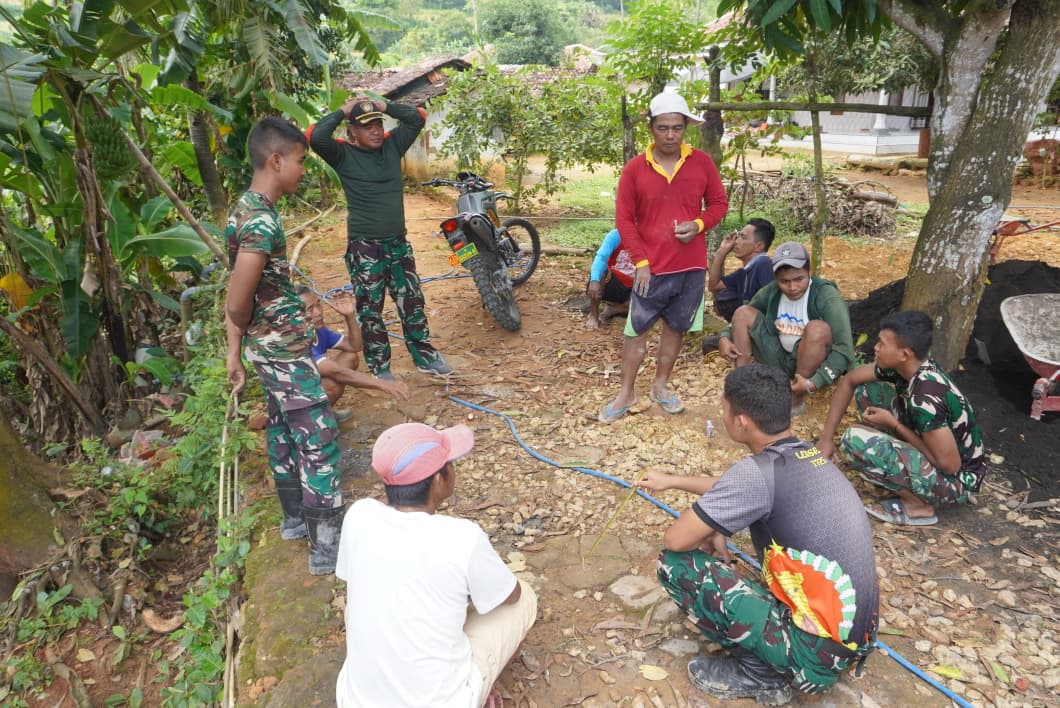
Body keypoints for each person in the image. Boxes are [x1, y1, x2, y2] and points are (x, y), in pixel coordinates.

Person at [635, 364, 878, 703]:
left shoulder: (755, 474)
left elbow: (676, 540)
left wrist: (709, 525)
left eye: (724, 406)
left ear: (742, 421)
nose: (722, 413)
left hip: (812, 659)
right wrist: (674, 480)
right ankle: (787, 653)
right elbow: (734, 488)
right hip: (856, 639)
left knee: (674, 565)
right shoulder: (804, 454)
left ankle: (761, 674)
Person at [335, 422, 538, 707]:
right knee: (525, 598)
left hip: (356, 701)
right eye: (450, 464)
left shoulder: (359, 516)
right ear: (438, 480)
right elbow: (511, 595)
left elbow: (354, 580)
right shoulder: (462, 537)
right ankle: (479, 693)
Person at [225, 117, 342, 576]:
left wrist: (237, 348)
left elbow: (239, 289)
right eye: (299, 160)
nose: (303, 170)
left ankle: (295, 520)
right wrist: (252, 326)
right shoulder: (260, 221)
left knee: (282, 429)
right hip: (281, 351)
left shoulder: (244, 210)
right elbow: (237, 300)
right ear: (276, 160)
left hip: (265, 347)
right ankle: (326, 545)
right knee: (318, 438)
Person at [598, 91, 729, 423]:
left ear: (686, 127)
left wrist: (698, 224)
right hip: (651, 268)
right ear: (651, 128)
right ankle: (626, 392)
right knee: (636, 330)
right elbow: (624, 221)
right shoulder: (635, 169)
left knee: (676, 328)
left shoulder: (701, 162)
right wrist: (641, 261)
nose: (670, 135)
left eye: (677, 128)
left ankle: (661, 386)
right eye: (663, 128)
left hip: (691, 267)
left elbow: (718, 204)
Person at [308, 95, 452, 380]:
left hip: (398, 243)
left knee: (411, 301)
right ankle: (380, 366)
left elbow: (417, 118)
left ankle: (424, 355)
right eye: (366, 126)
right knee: (370, 310)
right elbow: (315, 137)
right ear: (352, 131)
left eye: (377, 124)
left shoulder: (392, 145)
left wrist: (383, 106)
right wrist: (343, 111)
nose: (374, 130)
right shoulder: (342, 155)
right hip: (365, 248)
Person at [817, 311, 986, 526]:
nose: (875, 347)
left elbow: (949, 466)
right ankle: (900, 466)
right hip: (940, 451)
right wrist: (826, 438)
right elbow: (850, 380)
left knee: (854, 441)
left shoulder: (925, 398)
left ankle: (918, 506)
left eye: (882, 344)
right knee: (868, 390)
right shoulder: (907, 369)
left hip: (957, 482)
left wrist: (894, 425)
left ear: (904, 354)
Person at [717, 242, 854, 414]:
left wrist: (817, 381)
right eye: (784, 281)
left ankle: (795, 397)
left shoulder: (826, 296)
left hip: (810, 363)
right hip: (778, 355)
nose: (792, 287)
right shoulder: (773, 291)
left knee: (817, 329)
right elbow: (744, 314)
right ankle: (743, 383)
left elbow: (845, 348)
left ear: (809, 272)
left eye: (799, 279)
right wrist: (724, 336)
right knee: (743, 312)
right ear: (776, 279)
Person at [296, 286, 411, 421]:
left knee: (349, 358)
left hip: (307, 387)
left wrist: (349, 315)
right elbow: (337, 372)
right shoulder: (297, 342)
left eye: (318, 305)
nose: (318, 312)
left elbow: (354, 346)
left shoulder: (317, 331)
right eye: (310, 309)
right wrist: (383, 384)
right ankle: (313, 422)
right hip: (294, 401)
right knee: (331, 385)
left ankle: (324, 413)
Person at [702, 218, 775, 353]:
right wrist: (721, 252)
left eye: (743, 237)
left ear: (758, 246)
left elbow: (771, 307)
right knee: (709, 344)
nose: (736, 241)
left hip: (764, 335)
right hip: (748, 330)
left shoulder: (764, 265)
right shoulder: (744, 272)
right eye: (738, 236)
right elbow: (714, 286)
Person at [585, 228, 635, 330]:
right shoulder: (616, 235)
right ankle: (594, 315)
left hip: (635, 285)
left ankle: (613, 310)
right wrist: (594, 280)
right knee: (601, 273)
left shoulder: (649, 236)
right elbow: (601, 258)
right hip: (613, 281)